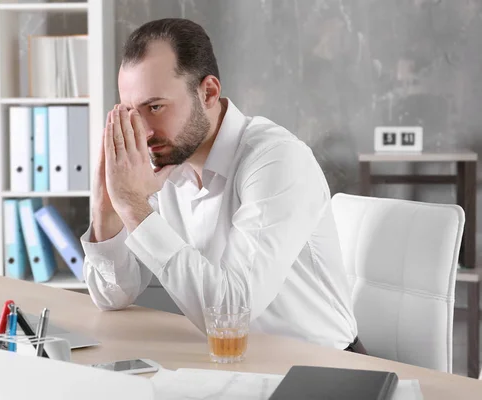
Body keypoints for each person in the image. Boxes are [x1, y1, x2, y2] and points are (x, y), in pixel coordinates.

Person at [80, 18, 365, 353]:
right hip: (230, 362)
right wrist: (106, 207)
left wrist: (133, 205)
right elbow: (113, 294)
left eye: (155, 107)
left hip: (321, 368)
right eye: (130, 111)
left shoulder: (277, 160)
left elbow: (231, 314)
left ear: (209, 92)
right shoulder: (164, 162)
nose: (141, 131)